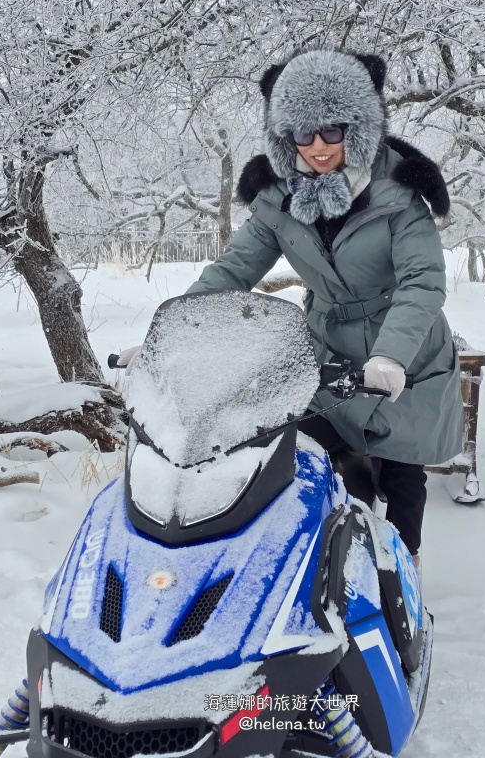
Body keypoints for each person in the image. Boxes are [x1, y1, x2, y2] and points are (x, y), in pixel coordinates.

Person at [120, 50, 463, 568]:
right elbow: (231, 273)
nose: (320, 146)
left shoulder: (399, 191)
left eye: (333, 130)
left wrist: (390, 356)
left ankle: (401, 581)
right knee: (315, 466)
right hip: (328, 347)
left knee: (400, 478)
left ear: (358, 126)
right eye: (304, 134)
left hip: (405, 353)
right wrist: (171, 338)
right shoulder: (278, 198)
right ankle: (335, 570)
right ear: (285, 136)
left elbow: (422, 282)